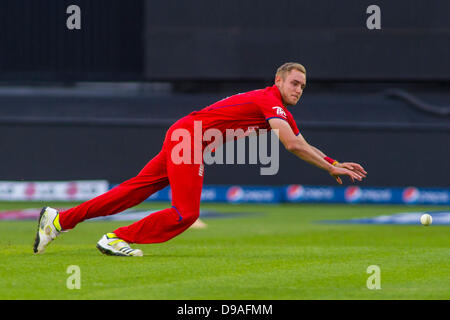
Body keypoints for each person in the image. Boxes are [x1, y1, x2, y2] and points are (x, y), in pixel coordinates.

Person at [33, 62, 367, 257]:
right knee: (186, 212)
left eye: (303, 86)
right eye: (294, 83)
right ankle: (117, 238)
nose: (299, 89)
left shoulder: (277, 108)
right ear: (278, 80)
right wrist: (329, 167)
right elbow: (292, 145)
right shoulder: (270, 100)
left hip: (184, 134)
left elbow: (300, 141)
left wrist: (333, 161)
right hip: (189, 139)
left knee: (131, 192)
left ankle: (59, 221)